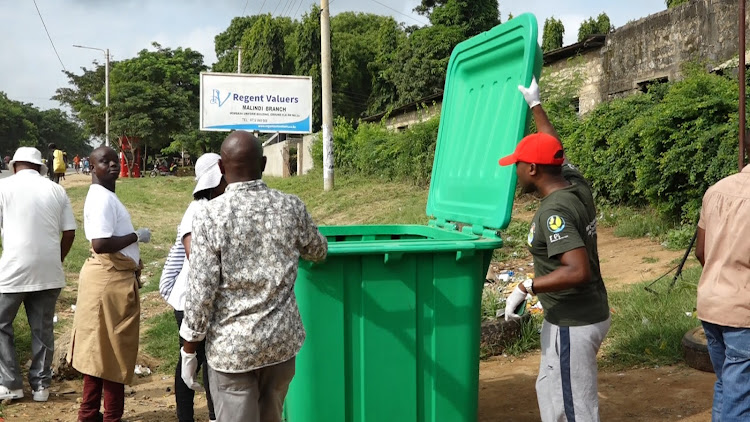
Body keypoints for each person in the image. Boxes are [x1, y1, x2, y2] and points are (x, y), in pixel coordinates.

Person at [179, 131, 328, 422]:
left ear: (222, 168)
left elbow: (200, 292)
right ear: (262, 162)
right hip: (279, 346)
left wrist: (189, 348)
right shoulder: (291, 206)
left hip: (232, 353)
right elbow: (318, 250)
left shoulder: (209, 215)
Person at [501, 77, 610, 422]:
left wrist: (526, 286)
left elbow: (578, 271)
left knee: (573, 409)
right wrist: (536, 104)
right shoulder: (575, 184)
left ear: (532, 170)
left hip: (573, 321)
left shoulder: (555, 211)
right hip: (574, 316)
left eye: (517, 164)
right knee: (551, 392)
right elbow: (554, 146)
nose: (514, 171)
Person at [67, 146, 151, 422]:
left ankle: (91, 414)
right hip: (107, 281)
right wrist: (136, 236)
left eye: (116, 160)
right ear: (92, 167)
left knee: (101, 354)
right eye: (105, 161)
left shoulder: (105, 196)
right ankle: (106, 416)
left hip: (111, 280)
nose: (113, 165)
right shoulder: (102, 198)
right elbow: (101, 243)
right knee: (110, 355)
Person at [0, 147, 76, 402]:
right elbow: (69, 233)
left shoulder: (3, 187)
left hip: (13, 270)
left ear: (15, 165)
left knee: (1, 324)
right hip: (49, 270)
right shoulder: (56, 190)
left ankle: (11, 383)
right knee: (42, 329)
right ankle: (41, 387)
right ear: (40, 167)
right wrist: (58, 259)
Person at [160, 153, 226, 422]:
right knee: (192, 359)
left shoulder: (218, 205)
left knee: (210, 360)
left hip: (207, 297)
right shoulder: (197, 209)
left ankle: (213, 415)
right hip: (190, 300)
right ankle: (186, 416)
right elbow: (195, 257)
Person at [695, 139, 750, 421]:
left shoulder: (716, 189)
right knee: (742, 398)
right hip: (743, 315)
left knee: (726, 385)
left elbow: (701, 251)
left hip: (710, 305)